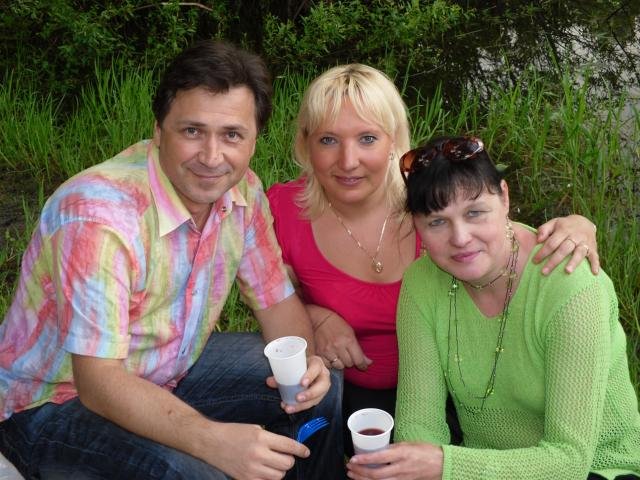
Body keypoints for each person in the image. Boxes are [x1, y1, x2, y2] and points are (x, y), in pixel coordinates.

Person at [0, 40, 345, 480]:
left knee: (322, 389)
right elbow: (98, 382)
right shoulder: (97, 217)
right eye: (192, 131)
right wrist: (213, 440)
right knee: (198, 472)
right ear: (159, 131)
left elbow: (275, 300)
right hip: (50, 405)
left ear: (254, 140)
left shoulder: (243, 192)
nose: (212, 157)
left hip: (166, 370)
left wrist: (304, 364)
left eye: (232, 135)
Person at [266, 64, 600, 454]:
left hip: (457, 389)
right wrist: (315, 316)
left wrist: (579, 225)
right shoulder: (282, 211)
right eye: (328, 140)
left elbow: (490, 236)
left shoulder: (429, 203)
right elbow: (269, 294)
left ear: (393, 141)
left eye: (368, 138)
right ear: (305, 145)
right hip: (348, 389)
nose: (348, 160)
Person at [346, 136, 640, 479]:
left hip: (598, 467)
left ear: (504, 197)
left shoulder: (570, 285)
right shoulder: (421, 282)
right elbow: (419, 425)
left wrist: (446, 466)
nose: (460, 238)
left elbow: (570, 459)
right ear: (417, 227)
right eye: (437, 222)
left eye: (475, 213)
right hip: (481, 465)